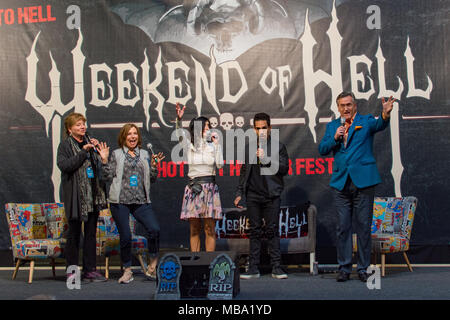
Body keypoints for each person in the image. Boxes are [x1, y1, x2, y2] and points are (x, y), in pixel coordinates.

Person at [318, 92, 396, 282]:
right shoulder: (333, 126)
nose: (346, 108)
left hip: (363, 182)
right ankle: (344, 268)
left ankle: (363, 268)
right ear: (337, 108)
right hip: (341, 183)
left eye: (349, 104)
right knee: (343, 227)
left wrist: (385, 114)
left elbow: (380, 124)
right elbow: (322, 149)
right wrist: (335, 137)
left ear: (355, 105)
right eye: (342, 105)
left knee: (363, 227)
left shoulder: (366, 120)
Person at [97, 123, 165, 284]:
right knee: (126, 236)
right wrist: (105, 160)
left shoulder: (144, 154)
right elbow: (105, 177)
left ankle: (152, 266)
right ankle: (127, 270)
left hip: (140, 200)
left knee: (154, 229)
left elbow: (152, 179)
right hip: (120, 201)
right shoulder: (116, 154)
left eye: (135, 133)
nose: (132, 136)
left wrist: (154, 166)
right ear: (124, 137)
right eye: (129, 134)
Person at [234, 112, 289, 279]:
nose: (261, 131)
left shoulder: (278, 147)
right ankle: (253, 268)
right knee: (255, 231)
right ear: (254, 130)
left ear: (270, 128)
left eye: (264, 128)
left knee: (272, 230)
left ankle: (276, 267)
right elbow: (244, 171)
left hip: (271, 194)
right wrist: (239, 192)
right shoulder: (249, 147)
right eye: (258, 129)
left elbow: (284, 169)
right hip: (253, 194)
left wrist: (266, 159)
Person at [57, 112, 108, 282]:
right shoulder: (65, 146)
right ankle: (72, 270)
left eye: (83, 124)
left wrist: (100, 155)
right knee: (74, 234)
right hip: (76, 198)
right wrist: (82, 152)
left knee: (91, 234)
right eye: (78, 124)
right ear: (70, 129)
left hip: (93, 195)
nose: (82, 127)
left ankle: (90, 269)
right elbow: (64, 166)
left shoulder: (90, 143)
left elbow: (100, 170)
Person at [175, 103, 223, 252]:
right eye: (206, 126)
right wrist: (178, 119)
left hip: (209, 187)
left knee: (209, 228)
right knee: (194, 228)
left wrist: (217, 146)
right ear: (198, 128)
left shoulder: (213, 145)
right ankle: (194, 260)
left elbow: (220, 165)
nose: (209, 128)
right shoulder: (189, 145)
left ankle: (210, 262)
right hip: (194, 187)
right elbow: (178, 134)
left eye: (209, 126)